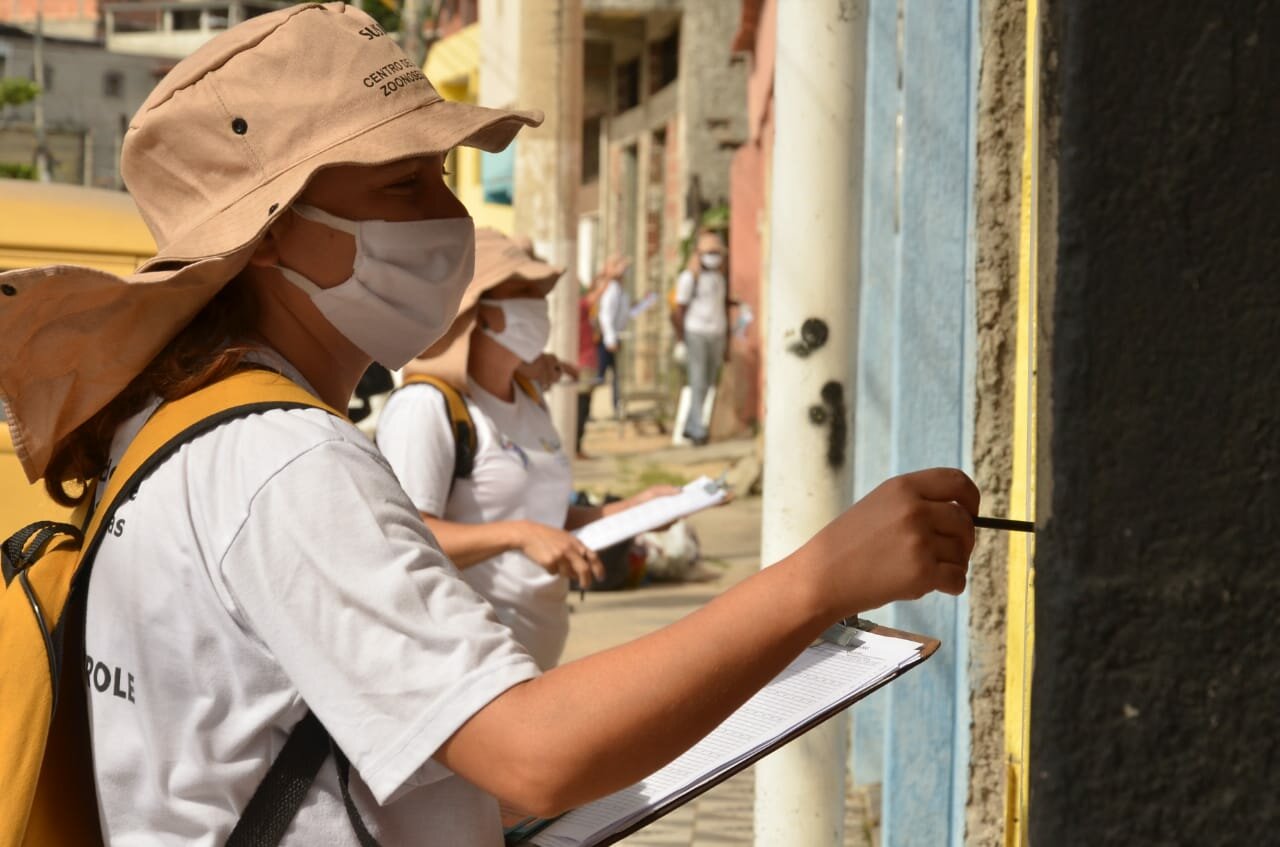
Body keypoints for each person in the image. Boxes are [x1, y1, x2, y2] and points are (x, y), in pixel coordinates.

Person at [0, 5, 980, 844]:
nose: (448, 218)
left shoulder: (183, 426)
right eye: (402, 185)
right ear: (269, 234)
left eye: (440, 175)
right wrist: (817, 582)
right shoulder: (281, 460)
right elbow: (531, 752)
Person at [376, 229, 672, 670]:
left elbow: (547, 519)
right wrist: (517, 534)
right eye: (523, 291)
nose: (539, 302)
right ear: (480, 312)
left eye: (540, 291)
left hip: (535, 657)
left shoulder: (530, 399)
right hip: (465, 665)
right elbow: (404, 537)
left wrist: (638, 509)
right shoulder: (426, 406)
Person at [674, 230, 732, 445]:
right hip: (696, 332)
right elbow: (678, 310)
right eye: (709, 252)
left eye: (717, 252)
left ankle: (691, 426)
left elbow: (723, 308)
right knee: (697, 381)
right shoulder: (689, 277)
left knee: (707, 382)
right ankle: (698, 430)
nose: (714, 257)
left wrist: (728, 341)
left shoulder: (720, 277)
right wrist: (681, 340)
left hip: (716, 333)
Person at [594, 254, 631, 416]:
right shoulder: (612, 289)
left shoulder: (619, 289)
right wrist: (610, 339)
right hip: (607, 339)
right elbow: (606, 316)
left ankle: (617, 406)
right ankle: (585, 408)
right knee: (599, 375)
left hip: (614, 336)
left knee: (616, 376)